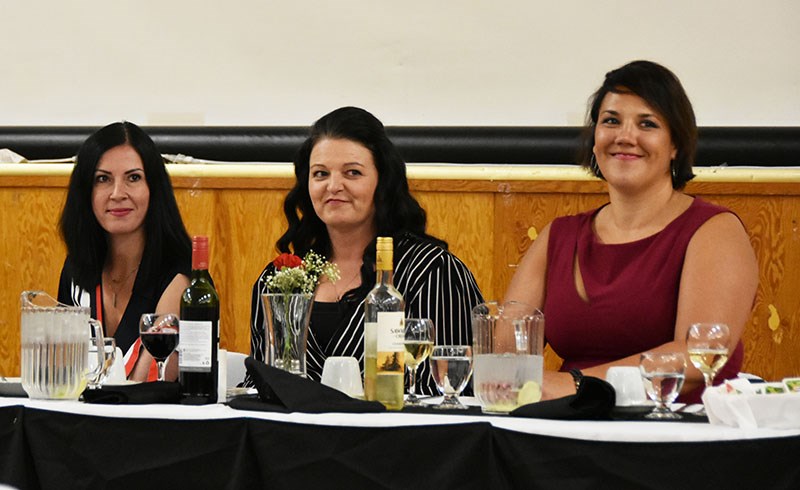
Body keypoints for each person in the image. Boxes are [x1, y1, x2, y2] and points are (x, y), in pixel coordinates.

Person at [504, 61, 758, 403]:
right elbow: (503, 352)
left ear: (675, 146)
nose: (625, 136)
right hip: (566, 429)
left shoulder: (714, 229)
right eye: (611, 121)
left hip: (678, 436)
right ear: (595, 140)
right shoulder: (558, 236)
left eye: (647, 124)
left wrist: (578, 385)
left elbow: (700, 358)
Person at [245, 106, 484, 394]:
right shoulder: (281, 277)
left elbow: (454, 390)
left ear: (382, 181)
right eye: (320, 174)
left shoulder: (431, 271)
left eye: (353, 173)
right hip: (291, 436)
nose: (334, 186)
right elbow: (259, 383)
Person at [58, 121, 192, 382]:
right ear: (86, 191)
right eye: (103, 179)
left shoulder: (179, 277)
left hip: (148, 420)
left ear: (154, 188)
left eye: (133, 178)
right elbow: (62, 373)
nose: (117, 193)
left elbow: (149, 381)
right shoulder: (76, 269)